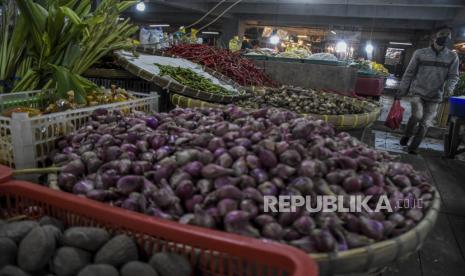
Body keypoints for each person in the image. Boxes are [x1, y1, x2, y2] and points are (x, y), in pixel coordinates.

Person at [397, 26, 460, 154]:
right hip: (418, 92)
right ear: (434, 37)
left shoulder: (452, 57)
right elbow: (409, 73)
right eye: (442, 34)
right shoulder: (420, 53)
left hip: (436, 95)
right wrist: (402, 90)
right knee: (417, 115)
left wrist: (449, 89)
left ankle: (412, 148)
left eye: (448, 35)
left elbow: (454, 76)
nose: (445, 37)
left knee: (426, 123)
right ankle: (407, 134)